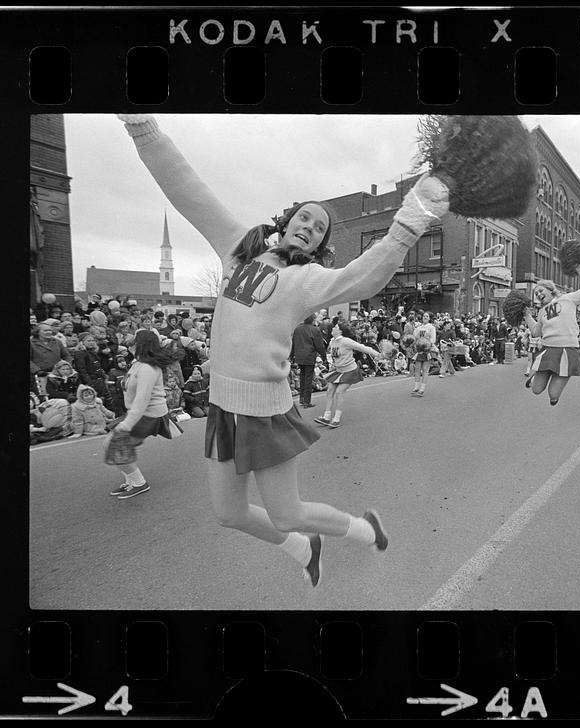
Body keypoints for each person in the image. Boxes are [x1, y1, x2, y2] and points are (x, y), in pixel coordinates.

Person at [119, 113, 451, 586]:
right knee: (228, 513)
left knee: (288, 511)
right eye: (304, 218)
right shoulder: (238, 249)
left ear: (318, 245)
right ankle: (302, 548)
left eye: (319, 229)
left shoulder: (307, 280)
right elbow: (187, 188)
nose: (309, 227)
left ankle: (362, 528)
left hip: (263, 411)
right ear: (287, 220)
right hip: (222, 408)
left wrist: (409, 223)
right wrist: (142, 128)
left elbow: (365, 275)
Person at [104, 329, 176, 500]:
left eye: (133, 339)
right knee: (114, 445)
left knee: (113, 446)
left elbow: (142, 400)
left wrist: (127, 424)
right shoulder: (138, 363)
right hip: (140, 412)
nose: (129, 340)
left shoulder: (147, 368)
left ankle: (138, 483)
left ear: (140, 344)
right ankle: (132, 481)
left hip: (148, 414)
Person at [522, 266, 580, 406]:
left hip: (567, 350)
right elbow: (536, 332)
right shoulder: (541, 311)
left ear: (550, 290)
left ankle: (561, 379)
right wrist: (526, 316)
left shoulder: (567, 299)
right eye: (536, 293)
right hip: (549, 349)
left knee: (553, 395)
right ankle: (535, 378)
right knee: (536, 390)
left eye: (540, 290)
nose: (538, 294)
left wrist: (578, 267)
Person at [314, 322, 381, 428]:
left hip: (349, 370)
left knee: (339, 392)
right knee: (330, 391)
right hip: (338, 370)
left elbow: (362, 348)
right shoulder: (332, 342)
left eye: (335, 327)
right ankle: (326, 417)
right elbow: (334, 357)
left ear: (340, 331)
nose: (333, 328)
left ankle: (336, 419)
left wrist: (378, 354)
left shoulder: (346, 341)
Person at [291, 314, 328, 408]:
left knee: (302, 376)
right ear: (313, 320)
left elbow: (293, 343)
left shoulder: (297, 329)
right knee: (308, 378)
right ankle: (307, 401)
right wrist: (324, 356)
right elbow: (319, 345)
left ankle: (302, 398)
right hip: (309, 356)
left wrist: (292, 355)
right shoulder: (314, 330)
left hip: (299, 356)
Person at [411, 312, 437, 396]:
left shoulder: (431, 327)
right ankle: (416, 387)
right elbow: (415, 337)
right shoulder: (418, 327)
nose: (425, 317)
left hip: (427, 350)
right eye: (424, 316)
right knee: (417, 368)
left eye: (427, 316)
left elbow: (433, 339)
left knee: (425, 369)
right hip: (419, 350)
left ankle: (422, 388)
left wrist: (427, 344)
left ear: (429, 318)